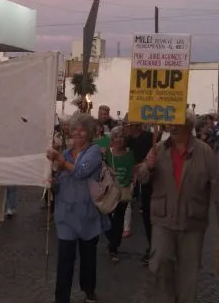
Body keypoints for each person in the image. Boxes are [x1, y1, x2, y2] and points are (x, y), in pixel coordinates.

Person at [137, 110, 219, 303]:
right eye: (170, 125)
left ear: (188, 127)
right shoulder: (159, 149)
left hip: (192, 220)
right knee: (160, 264)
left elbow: (218, 184)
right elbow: (143, 178)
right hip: (163, 218)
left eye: (176, 125)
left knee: (189, 272)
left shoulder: (205, 152)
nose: (171, 128)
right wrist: (149, 166)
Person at [47, 112, 110, 303]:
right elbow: (58, 184)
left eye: (82, 130)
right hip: (65, 215)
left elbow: (81, 171)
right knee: (65, 260)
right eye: (75, 129)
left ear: (90, 133)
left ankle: (88, 289)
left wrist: (60, 161)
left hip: (87, 215)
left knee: (88, 258)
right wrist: (51, 180)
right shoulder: (65, 153)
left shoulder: (94, 152)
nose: (78, 133)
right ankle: (61, 298)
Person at [104, 126, 135, 263]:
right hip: (109, 191)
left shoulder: (130, 154)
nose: (119, 140)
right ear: (112, 139)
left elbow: (132, 170)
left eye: (122, 137)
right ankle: (112, 239)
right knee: (105, 218)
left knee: (119, 220)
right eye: (116, 137)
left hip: (124, 191)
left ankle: (114, 247)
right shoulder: (107, 154)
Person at [125, 122, 154, 264]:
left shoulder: (150, 136)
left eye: (129, 125)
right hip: (135, 179)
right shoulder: (128, 140)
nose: (127, 127)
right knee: (145, 214)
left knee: (150, 214)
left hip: (150, 180)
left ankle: (154, 248)